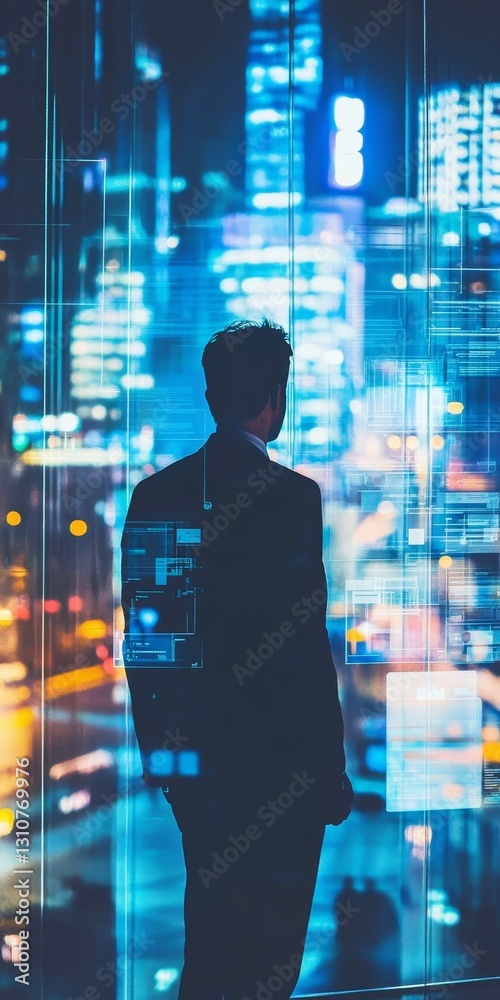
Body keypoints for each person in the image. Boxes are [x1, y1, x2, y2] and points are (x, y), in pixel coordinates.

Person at [121, 318, 353, 1000]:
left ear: (211, 393)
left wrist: (165, 760)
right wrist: (329, 771)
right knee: (271, 955)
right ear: (274, 399)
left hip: (204, 775)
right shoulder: (292, 499)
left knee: (212, 943)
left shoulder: (156, 495)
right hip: (283, 771)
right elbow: (308, 651)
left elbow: (150, 644)